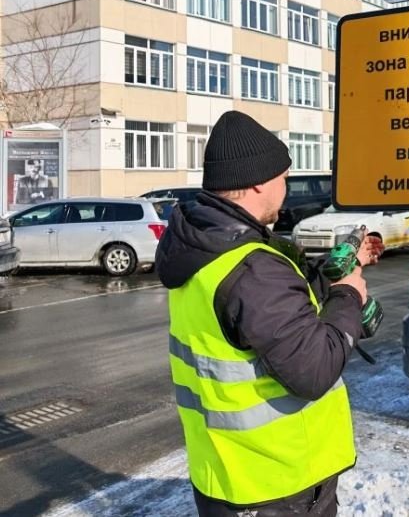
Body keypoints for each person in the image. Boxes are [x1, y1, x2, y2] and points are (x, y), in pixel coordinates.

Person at [155, 110, 382, 517]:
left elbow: (274, 316)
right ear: (258, 181)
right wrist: (349, 296)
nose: (286, 188)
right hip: (277, 486)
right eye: (283, 178)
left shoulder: (206, 248)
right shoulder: (250, 268)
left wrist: (334, 275)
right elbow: (314, 368)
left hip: (227, 475)